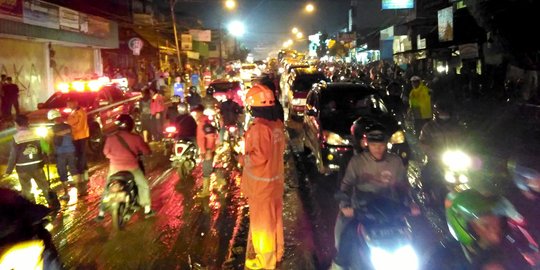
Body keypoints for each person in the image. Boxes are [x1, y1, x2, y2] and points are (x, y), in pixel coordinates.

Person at [333, 125, 414, 269]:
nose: (378, 149)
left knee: (409, 236)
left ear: (386, 145)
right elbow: (346, 185)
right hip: (363, 209)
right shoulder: (357, 162)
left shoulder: (395, 162)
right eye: (374, 145)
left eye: (381, 145)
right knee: (346, 232)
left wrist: (410, 203)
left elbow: (403, 185)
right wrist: (345, 205)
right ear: (367, 145)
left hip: (390, 208)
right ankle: (338, 265)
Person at [241, 84, 285, 270]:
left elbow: (259, 157)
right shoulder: (276, 126)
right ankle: (277, 253)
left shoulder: (260, 128)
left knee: (262, 227)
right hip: (274, 184)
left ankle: (265, 263)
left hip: (261, 188)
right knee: (275, 222)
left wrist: (242, 158)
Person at [95, 114, 154, 220]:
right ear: (131, 125)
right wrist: (148, 152)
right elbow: (146, 150)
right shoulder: (135, 137)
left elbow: (105, 152)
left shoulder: (111, 137)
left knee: (107, 187)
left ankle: (101, 213)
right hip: (132, 168)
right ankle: (147, 210)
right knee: (143, 185)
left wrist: (113, 158)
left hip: (115, 168)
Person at [3, 115, 60, 210]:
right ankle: (54, 204)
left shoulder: (16, 138)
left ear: (17, 124)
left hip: (22, 168)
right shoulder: (36, 135)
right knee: (44, 186)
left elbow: (13, 156)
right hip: (37, 165)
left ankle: (31, 209)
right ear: (27, 123)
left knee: (26, 190)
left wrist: (8, 170)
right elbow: (46, 148)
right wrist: (49, 154)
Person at [48, 109, 79, 201]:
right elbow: (73, 137)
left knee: (62, 172)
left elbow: (49, 142)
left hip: (60, 153)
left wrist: (49, 153)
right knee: (73, 169)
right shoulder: (69, 127)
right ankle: (78, 191)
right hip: (71, 151)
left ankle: (66, 194)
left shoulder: (50, 130)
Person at [191, 104, 218, 197]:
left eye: (196, 113)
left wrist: (208, 151)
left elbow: (210, 137)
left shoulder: (204, 123)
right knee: (208, 167)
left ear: (200, 113)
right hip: (205, 150)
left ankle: (206, 191)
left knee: (206, 169)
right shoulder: (201, 122)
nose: (194, 115)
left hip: (208, 150)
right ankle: (221, 181)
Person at [66, 98, 89, 196]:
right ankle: (84, 175)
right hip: (78, 136)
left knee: (80, 156)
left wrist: (67, 126)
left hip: (80, 136)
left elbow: (76, 125)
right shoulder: (74, 111)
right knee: (80, 156)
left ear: (76, 102)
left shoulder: (79, 112)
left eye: (69, 103)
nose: (68, 105)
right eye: (67, 104)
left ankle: (81, 176)